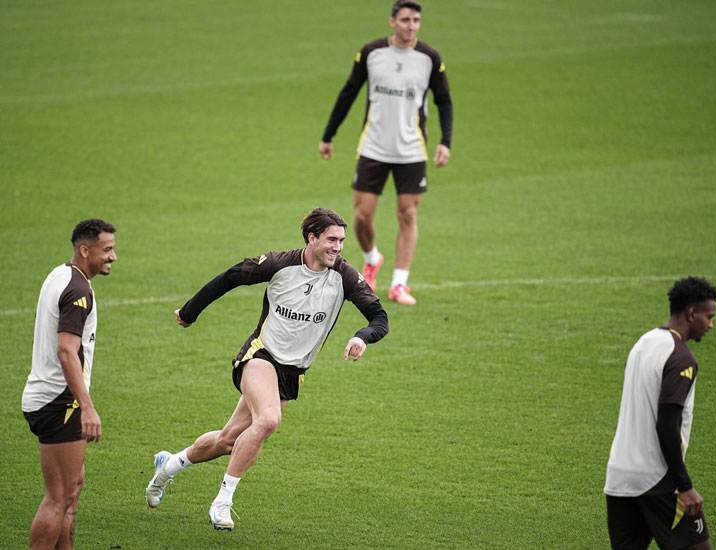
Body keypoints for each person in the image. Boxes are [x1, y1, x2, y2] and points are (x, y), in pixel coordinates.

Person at [145, 208, 388, 531]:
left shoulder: (344, 276)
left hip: (292, 373)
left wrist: (362, 337)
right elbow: (232, 276)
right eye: (332, 239)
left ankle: (169, 465)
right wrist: (190, 312)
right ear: (312, 238)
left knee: (229, 440)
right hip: (261, 356)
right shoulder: (280, 264)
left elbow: (380, 318)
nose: (338, 247)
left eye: (342, 240)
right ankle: (223, 501)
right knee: (269, 420)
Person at [318, 0, 453, 306]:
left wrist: (446, 141)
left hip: (411, 150)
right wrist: (329, 135)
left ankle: (399, 284)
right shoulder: (371, 53)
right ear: (393, 22)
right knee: (362, 215)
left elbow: (444, 100)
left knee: (408, 213)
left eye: (416, 20)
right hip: (373, 146)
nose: (411, 26)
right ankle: (372, 258)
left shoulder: (429, 58)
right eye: (405, 19)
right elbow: (349, 91)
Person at [22, 219, 118, 550]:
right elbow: (66, 350)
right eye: (107, 250)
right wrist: (87, 406)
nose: (113, 257)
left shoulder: (60, 274)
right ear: (84, 249)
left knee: (72, 489)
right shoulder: (78, 290)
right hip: (59, 403)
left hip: (48, 398)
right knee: (58, 497)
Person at [604, 276, 716, 550]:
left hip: (619, 477)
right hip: (657, 480)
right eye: (709, 316)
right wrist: (685, 485)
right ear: (692, 313)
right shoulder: (682, 358)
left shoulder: (643, 342)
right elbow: (667, 424)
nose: (711, 325)